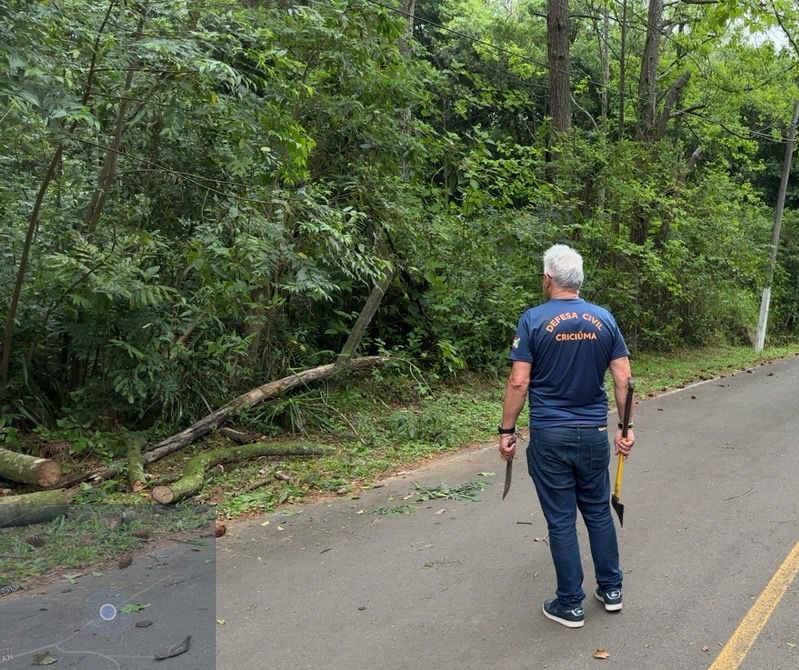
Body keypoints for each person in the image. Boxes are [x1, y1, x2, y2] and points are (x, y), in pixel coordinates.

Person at [498, 244, 635, 629]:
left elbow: (518, 381)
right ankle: (611, 590)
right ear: (579, 280)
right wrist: (626, 429)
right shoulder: (604, 319)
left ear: (547, 279)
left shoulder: (533, 320)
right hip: (592, 433)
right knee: (597, 511)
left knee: (561, 520)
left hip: (551, 436)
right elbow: (624, 379)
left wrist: (507, 430)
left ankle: (570, 604)